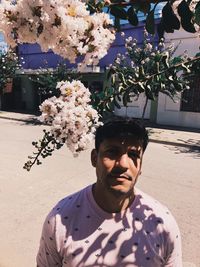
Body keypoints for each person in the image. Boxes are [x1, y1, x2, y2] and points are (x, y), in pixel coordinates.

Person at [36, 119, 182, 267]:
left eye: (133, 155)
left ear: (141, 165)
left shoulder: (162, 222)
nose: (123, 164)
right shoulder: (60, 219)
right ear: (94, 158)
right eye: (112, 152)